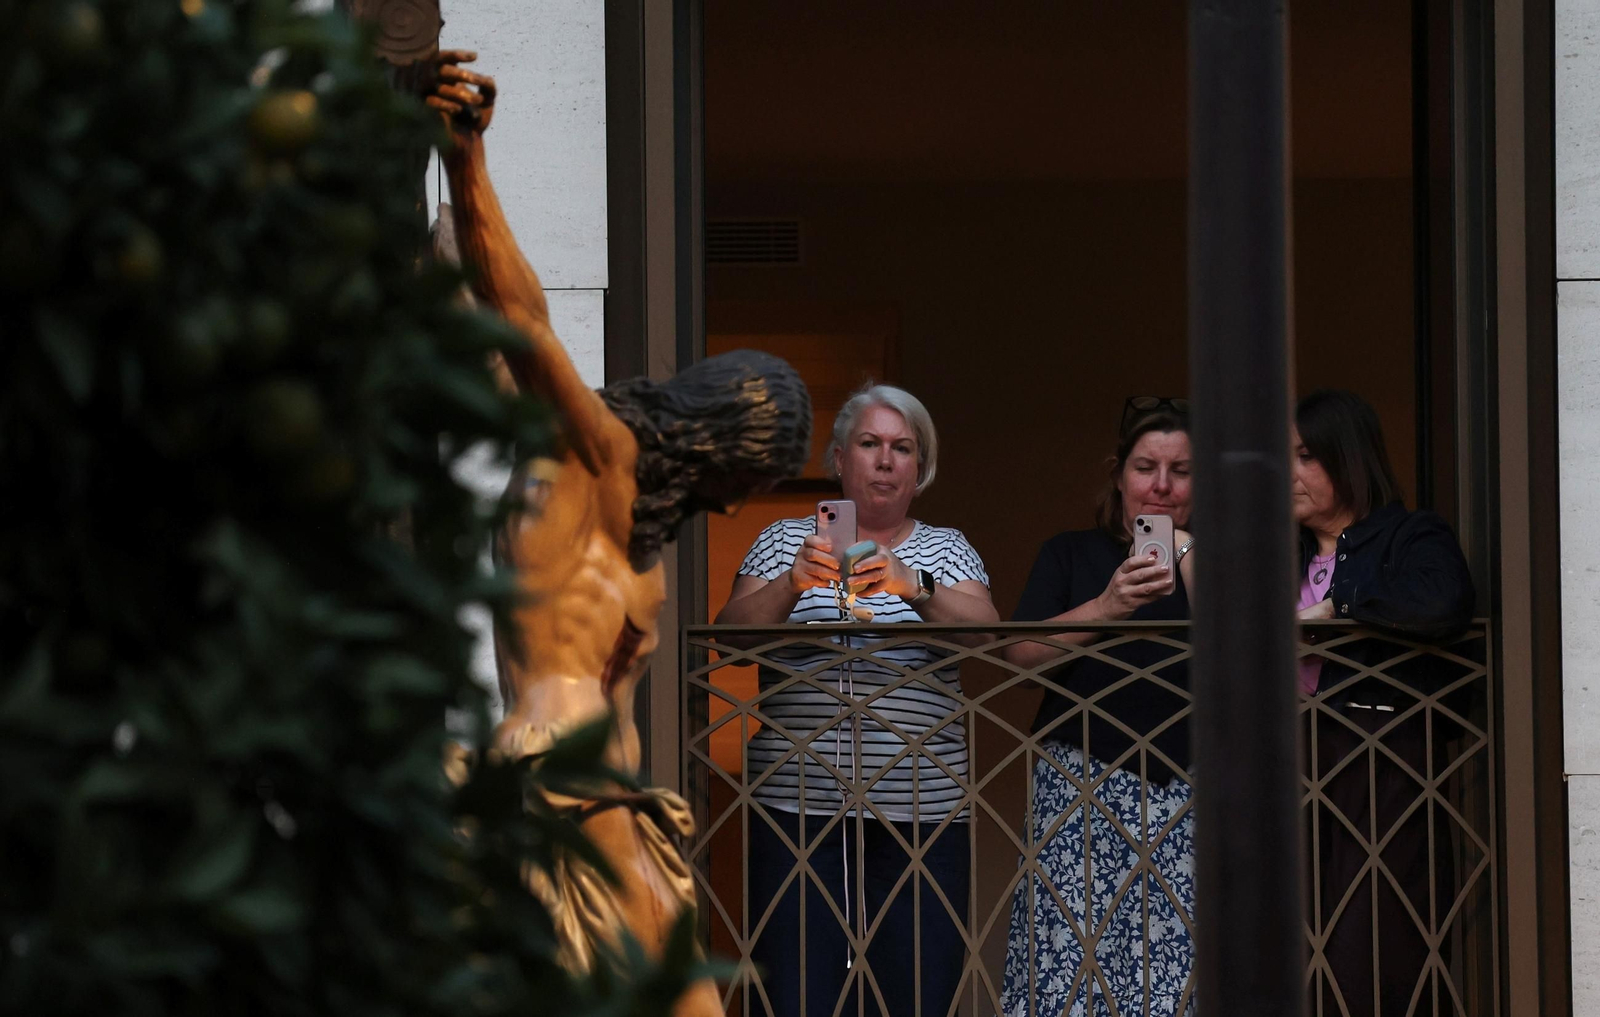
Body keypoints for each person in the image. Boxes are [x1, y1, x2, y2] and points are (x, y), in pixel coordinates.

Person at [429, 53, 811, 1015]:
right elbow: (523, 316)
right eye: (745, 482)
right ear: (720, 442)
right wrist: (470, 165)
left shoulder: (635, 518)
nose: (732, 507)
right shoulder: (595, 458)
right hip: (564, 793)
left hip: (620, 811)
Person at [715, 383, 999, 1017]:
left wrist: (914, 586)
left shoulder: (945, 549)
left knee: (915, 993)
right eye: (869, 444)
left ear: (919, 469)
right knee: (794, 993)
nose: (885, 459)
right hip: (799, 807)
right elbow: (729, 636)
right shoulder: (785, 538)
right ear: (839, 458)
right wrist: (793, 582)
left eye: (903, 448)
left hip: (923, 812)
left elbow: (988, 640)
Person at [999, 399, 1197, 1017]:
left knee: (1181, 978)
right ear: (1118, 475)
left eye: (1181, 470)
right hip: (1080, 790)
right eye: (1145, 467)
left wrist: (1190, 555)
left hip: (1190, 792)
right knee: (1071, 974)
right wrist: (1107, 606)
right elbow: (1020, 662)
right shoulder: (1071, 553)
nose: (1161, 485)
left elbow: (1251, 651)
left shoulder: (1219, 560)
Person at [1291, 389, 1474, 1016]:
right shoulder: (1276, 553)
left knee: (1373, 952)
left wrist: (1340, 608)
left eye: (1306, 456)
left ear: (1349, 459)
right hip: (1288, 766)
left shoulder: (1408, 534)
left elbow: (1442, 601)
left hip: (1377, 763)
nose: (1289, 474)